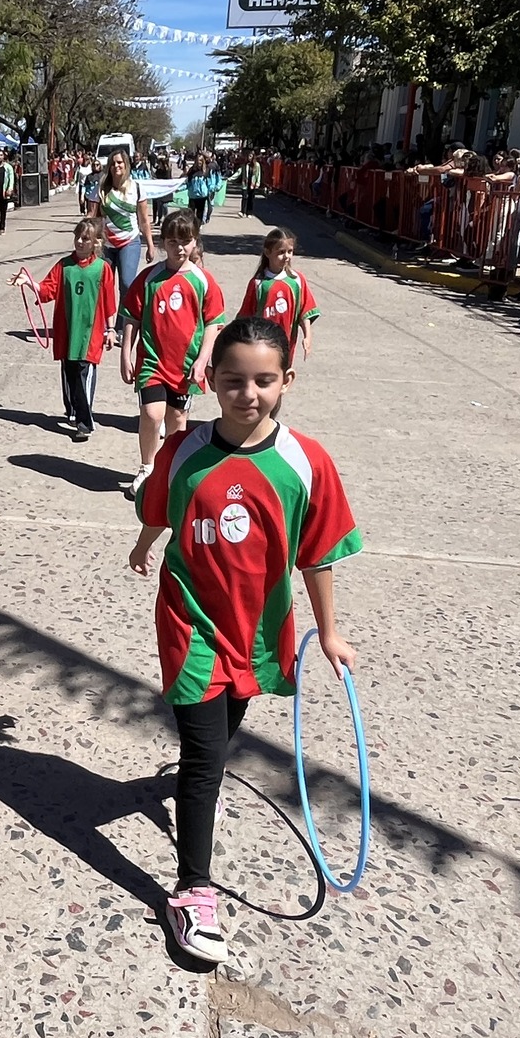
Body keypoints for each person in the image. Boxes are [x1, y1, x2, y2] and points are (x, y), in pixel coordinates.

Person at [127, 315, 361, 963]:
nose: (247, 393)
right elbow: (160, 510)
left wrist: (330, 632)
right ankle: (192, 892)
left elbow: (318, 553)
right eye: (233, 379)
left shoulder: (305, 462)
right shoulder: (182, 451)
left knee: (223, 732)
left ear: (286, 381)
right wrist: (144, 545)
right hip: (190, 624)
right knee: (204, 756)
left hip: (258, 631)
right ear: (210, 379)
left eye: (263, 380)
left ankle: (195, 794)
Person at [121, 209, 225, 497]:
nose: (179, 248)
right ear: (163, 242)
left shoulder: (203, 281)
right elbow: (132, 317)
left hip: (185, 365)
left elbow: (213, 323)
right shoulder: (149, 278)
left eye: (185, 241)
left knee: (177, 421)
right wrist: (126, 354)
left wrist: (202, 361)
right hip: (152, 361)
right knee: (151, 414)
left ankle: (171, 469)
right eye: (172, 242)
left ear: (195, 242)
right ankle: (147, 467)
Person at [30, 216, 117, 442]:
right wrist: (30, 283)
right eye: (77, 236)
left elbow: (109, 301)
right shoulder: (64, 265)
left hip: (91, 333)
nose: (79, 241)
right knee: (69, 374)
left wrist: (110, 330)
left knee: (83, 374)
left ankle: (84, 422)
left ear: (96, 243)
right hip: (67, 331)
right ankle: (72, 410)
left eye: (85, 238)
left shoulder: (102, 269)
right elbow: (47, 289)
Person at [89, 149, 152, 340]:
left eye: (120, 162)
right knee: (101, 285)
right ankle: (103, 325)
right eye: (113, 163)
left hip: (129, 242)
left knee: (126, 284)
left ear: (126, 165)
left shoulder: (136, 188)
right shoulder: (100, 188)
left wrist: (150, 244)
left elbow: (144, 220)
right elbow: (92, 216)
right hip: (106, 245)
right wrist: (88, 240)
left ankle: (122, 327)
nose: (116, 166)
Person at [239, 227, 320, 358]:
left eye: (290, 251)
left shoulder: (297, 280)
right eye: (281, 252)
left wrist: (307, 337)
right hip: (262, 346)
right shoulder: (258, 283)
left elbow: (304, 312)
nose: (286, 256)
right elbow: (246, 317)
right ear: (267, 252)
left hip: (287, 346)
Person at [0, 147, 18, 234]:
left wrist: (10, 189)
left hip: (4, 193)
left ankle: (2, 228)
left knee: (3, 211)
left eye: (1, 155)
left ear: (4, 156)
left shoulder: (8, 167)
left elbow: (11, 179)